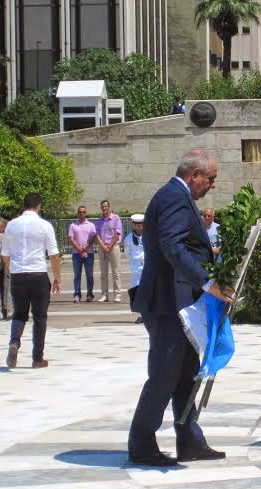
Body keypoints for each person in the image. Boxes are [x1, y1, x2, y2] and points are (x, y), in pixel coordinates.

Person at [128, 147, 233, 467]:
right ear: (194, 175)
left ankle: (189, 440)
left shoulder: (176, 195)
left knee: (186, 374)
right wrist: (208, 283)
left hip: (180, 304)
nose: (212, 185)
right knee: (164, 375)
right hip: (166, 305)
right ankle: (142, 443)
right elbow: (173, 248)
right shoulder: (174, 197)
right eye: (210, 179)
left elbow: (187, 247)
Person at [1, 193, 61, 369]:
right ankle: (37, 358)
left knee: (19, 314)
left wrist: (14, 270)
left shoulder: (11, 225)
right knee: (40, 317)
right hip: (38, 274)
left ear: (23, 205)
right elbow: (54, 255)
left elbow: (5, 255)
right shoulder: (45, 225)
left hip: (18, 275)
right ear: (39, 206)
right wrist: (57, 278)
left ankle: (14, 342)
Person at [68, 206, 97, 303]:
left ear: (86, 213)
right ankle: (77, 295)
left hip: (89, 253)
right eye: (80, 212)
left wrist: (85, 247)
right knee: (77, 275)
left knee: (89, 276)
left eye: (83, 212)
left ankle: (89, 295)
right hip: (76, 254)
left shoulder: (91, 225)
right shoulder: (73, 225)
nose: (81, 214)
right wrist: (80, 249)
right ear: (77, 213)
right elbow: (71, 239)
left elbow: (93, 237)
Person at [96, 200, 122, 303]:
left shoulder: (116, 218)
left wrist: (109, 247)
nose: (104, 208)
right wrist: (103, 246)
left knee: (116, 272)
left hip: (113, 247)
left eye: (106, 206)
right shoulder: (100, 220)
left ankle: (117, 294)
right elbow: (97, 234)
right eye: (102, 206)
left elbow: (117, 233)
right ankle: (104, 295)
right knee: (103, 273)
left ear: (109, 207)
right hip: (103, 248)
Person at [125, 214, 145, 323]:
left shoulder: (149, 237)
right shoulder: (129, 238)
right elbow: (127, 253)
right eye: (138, 225)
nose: (140, 227)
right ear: (134, 226)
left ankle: (147, 313)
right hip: (136, 266)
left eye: (142, 225)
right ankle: (140, 314)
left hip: (147, 266)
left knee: (147, 290)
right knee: (136, 291)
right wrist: (134, 261)